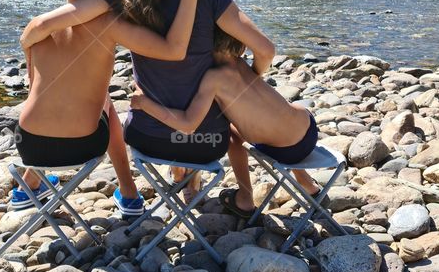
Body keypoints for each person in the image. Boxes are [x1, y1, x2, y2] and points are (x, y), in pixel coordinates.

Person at [21, 0, 274, 215]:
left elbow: (52, 24)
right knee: (208, 104)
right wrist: (249, 78)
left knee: (106, 103)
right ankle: (165, 185)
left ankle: (33, 183)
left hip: (137, 139)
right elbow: (262, 50)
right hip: (206, 142)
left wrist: (29, 36)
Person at [13, 0, 204, 218]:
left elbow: (34, 85)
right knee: (107, 105)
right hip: (81, 143)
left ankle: (29, 182)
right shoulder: (108, 24)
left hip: (28, 144)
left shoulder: (39, 29)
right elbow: (170, 50)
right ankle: (129, 195)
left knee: (48, 94)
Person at [130, 26, 321, 216]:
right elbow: (265, 55)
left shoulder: (212, 78)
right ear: (241, 47)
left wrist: (145, 104)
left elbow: (188, 125)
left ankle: (245, 198)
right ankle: (308, 184)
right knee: (273, 114)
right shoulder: (241, 64)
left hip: (284, 152)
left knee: (229, 134)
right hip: (308, 129)